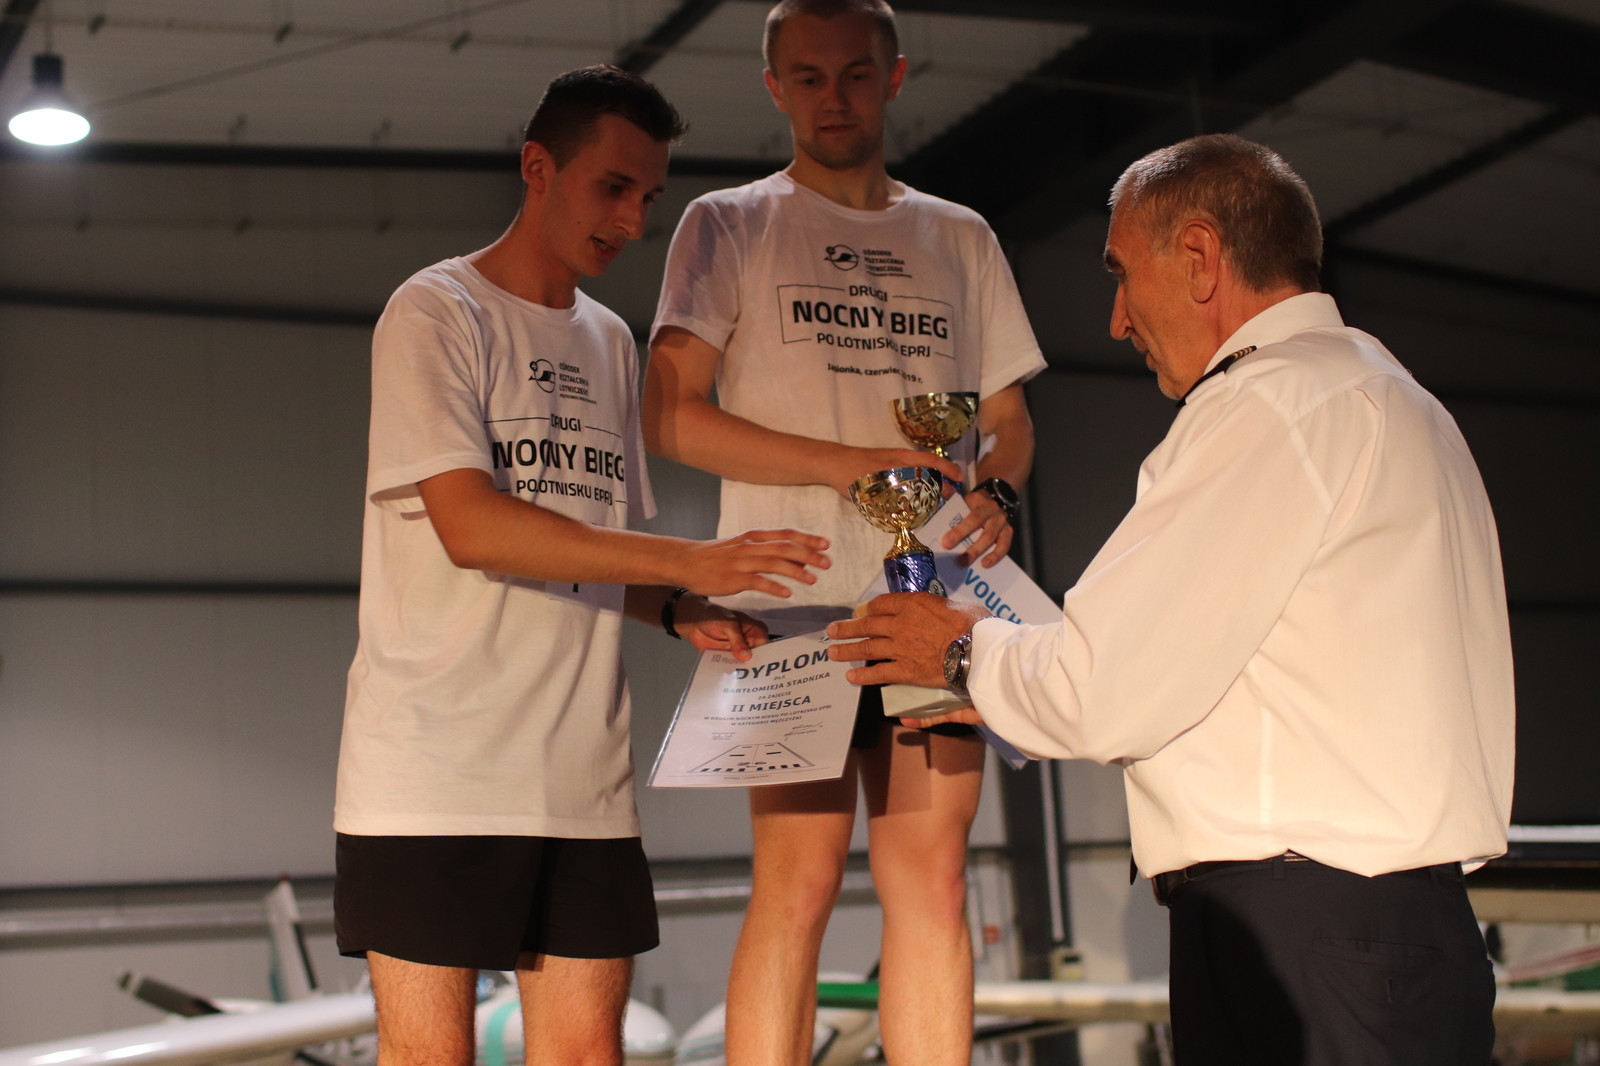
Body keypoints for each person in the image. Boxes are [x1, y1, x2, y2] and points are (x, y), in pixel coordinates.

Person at [830, 133, 1514, 1066]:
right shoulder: (1399, 399)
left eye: (1121, 273)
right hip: (1403, 932)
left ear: (1199, 257)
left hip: (1309, 932)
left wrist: (956, 650)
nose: (1116, 320)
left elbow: (1105, 685)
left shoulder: (1268, 405)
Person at [333, 66, 831, 1066]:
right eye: (612, 187)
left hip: (584, 780)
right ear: (537, 168)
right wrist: (690, 556)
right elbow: (473, 526)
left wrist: (677, 606)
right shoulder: (435, 311)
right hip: (435, 774)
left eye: (649, 196)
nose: (633, 221)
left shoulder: (609, 340)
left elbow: (582, 541)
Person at [642, 1, 1045, 1061]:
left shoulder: (960, 235)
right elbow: (669, 415)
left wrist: (996, 492)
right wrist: (846, 465)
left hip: (938, 602)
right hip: (789, 596)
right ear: (774, 85)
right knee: (797, 879)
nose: (835, 98)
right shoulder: (727, 223)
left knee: (934, 881)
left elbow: (1007, 420)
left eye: (857, 75)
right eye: (809, 77)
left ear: (895, 76)